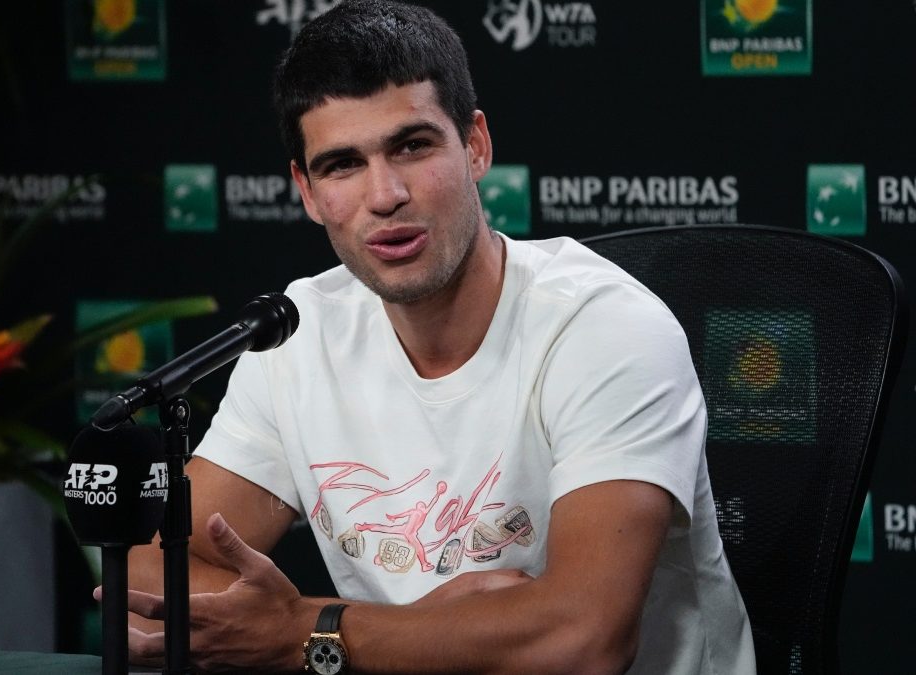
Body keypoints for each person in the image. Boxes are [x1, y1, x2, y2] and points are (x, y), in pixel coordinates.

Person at [113, 1, 756, 672]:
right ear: (306, 192)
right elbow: (142, 577)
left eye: (412, 146)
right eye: (342, 165)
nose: (385, 193)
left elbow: (583, 641)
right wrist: (410, 630)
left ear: (475, 145)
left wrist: (308, 631)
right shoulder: (300, 334)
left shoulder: (604, 326)